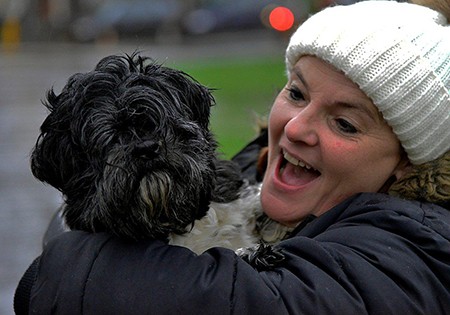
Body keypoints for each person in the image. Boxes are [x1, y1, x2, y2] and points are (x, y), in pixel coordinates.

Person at [14, 1, 450, 314]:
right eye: (297, 93)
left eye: (345, 124)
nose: (296, 128)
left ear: (407, 161)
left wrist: (59, 268)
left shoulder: (414, 252)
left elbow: (266, 300)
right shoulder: (256, 164)